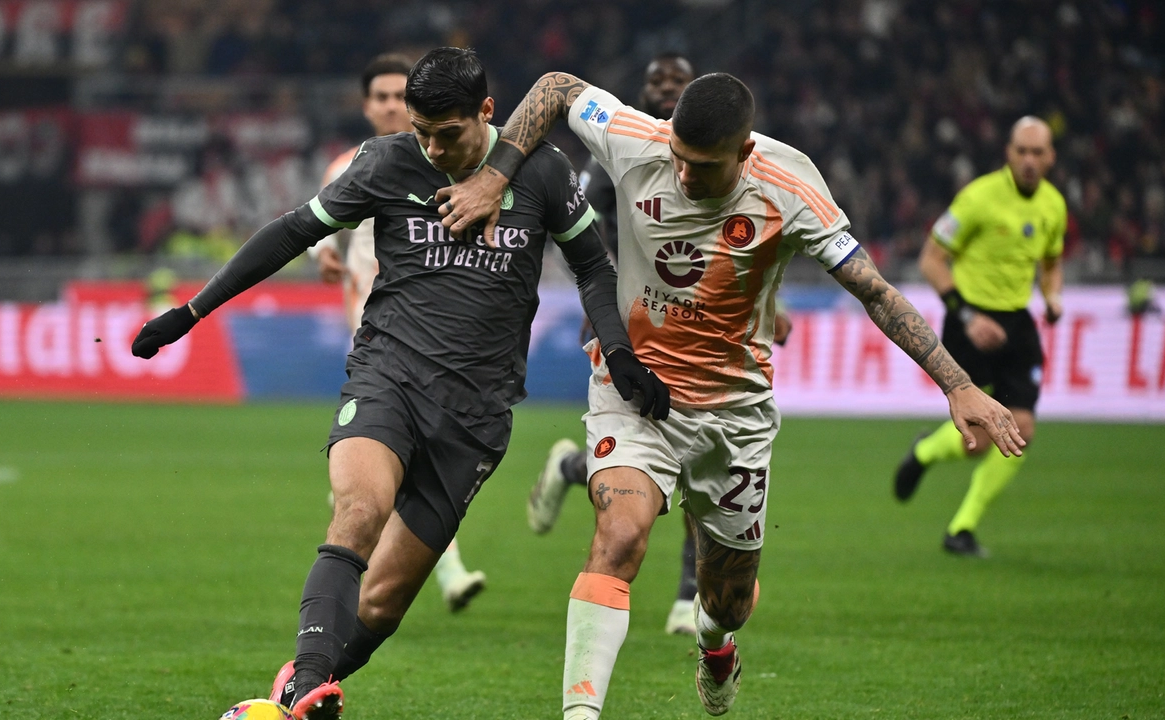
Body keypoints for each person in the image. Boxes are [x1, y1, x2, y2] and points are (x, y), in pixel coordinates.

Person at [438, 71, 1024, 718]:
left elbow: (877, 293)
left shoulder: (790, 188)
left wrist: (959, 384)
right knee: (620, 537)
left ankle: (716, 647)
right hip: (637, 391)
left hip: (735, 413)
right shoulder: (639, 140)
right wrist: (494, 176)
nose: (685, 175)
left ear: (744, 153)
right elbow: (555, 87)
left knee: (729, 601)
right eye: (678, 160)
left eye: (704, 165)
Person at [130, 48, 669, 719]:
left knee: (381, 605)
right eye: (423, 134)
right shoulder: (387, 163)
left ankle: (297, 683)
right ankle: (308, 698)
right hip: (388, 378)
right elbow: (294, 232)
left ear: (487, 112)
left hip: (476, 416)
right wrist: (191, 311)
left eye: (449, 134)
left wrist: (617, 350)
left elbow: (593, 267)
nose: (435, 149)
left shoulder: (544, 172)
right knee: (358, 511)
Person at [528, 52, 793, 637]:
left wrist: (773, 307)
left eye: (677, 81)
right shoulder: (620, 152)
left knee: (701, 464)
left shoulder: (717, 165)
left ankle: (688, 595)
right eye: (657, 82)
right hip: (633, 333)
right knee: (652, 469)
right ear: (647, 92)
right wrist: (603, 306)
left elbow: (737, 251)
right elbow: (581, 233)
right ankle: (574, 471)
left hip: (700, 335)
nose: (667, 88)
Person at [310, 52, 488, 612]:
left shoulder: (463, 164)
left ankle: (369, 579)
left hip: (440, 345)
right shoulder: (350, 167)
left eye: (397, 96)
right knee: (384, 474)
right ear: (367, 107)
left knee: (394, 474)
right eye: (380, 97)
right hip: (378, 341)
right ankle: (426, 572)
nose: (389, 105)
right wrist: (329, 261)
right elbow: (325, 244)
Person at [892, 116, 1066, 558]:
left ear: (1050, 157)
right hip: (970, 322)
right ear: (1009, 153)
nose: (1029, 160)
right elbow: (932, 260)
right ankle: (927, 451)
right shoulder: (977, 198)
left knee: (1020, 429)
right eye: (1021, 151)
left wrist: (1052, 296)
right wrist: (967, 316)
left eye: (1037, 153)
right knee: (979, 440)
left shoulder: (1053, 205)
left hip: (1017, 324)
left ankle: (961, 529)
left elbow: (1050, 261)